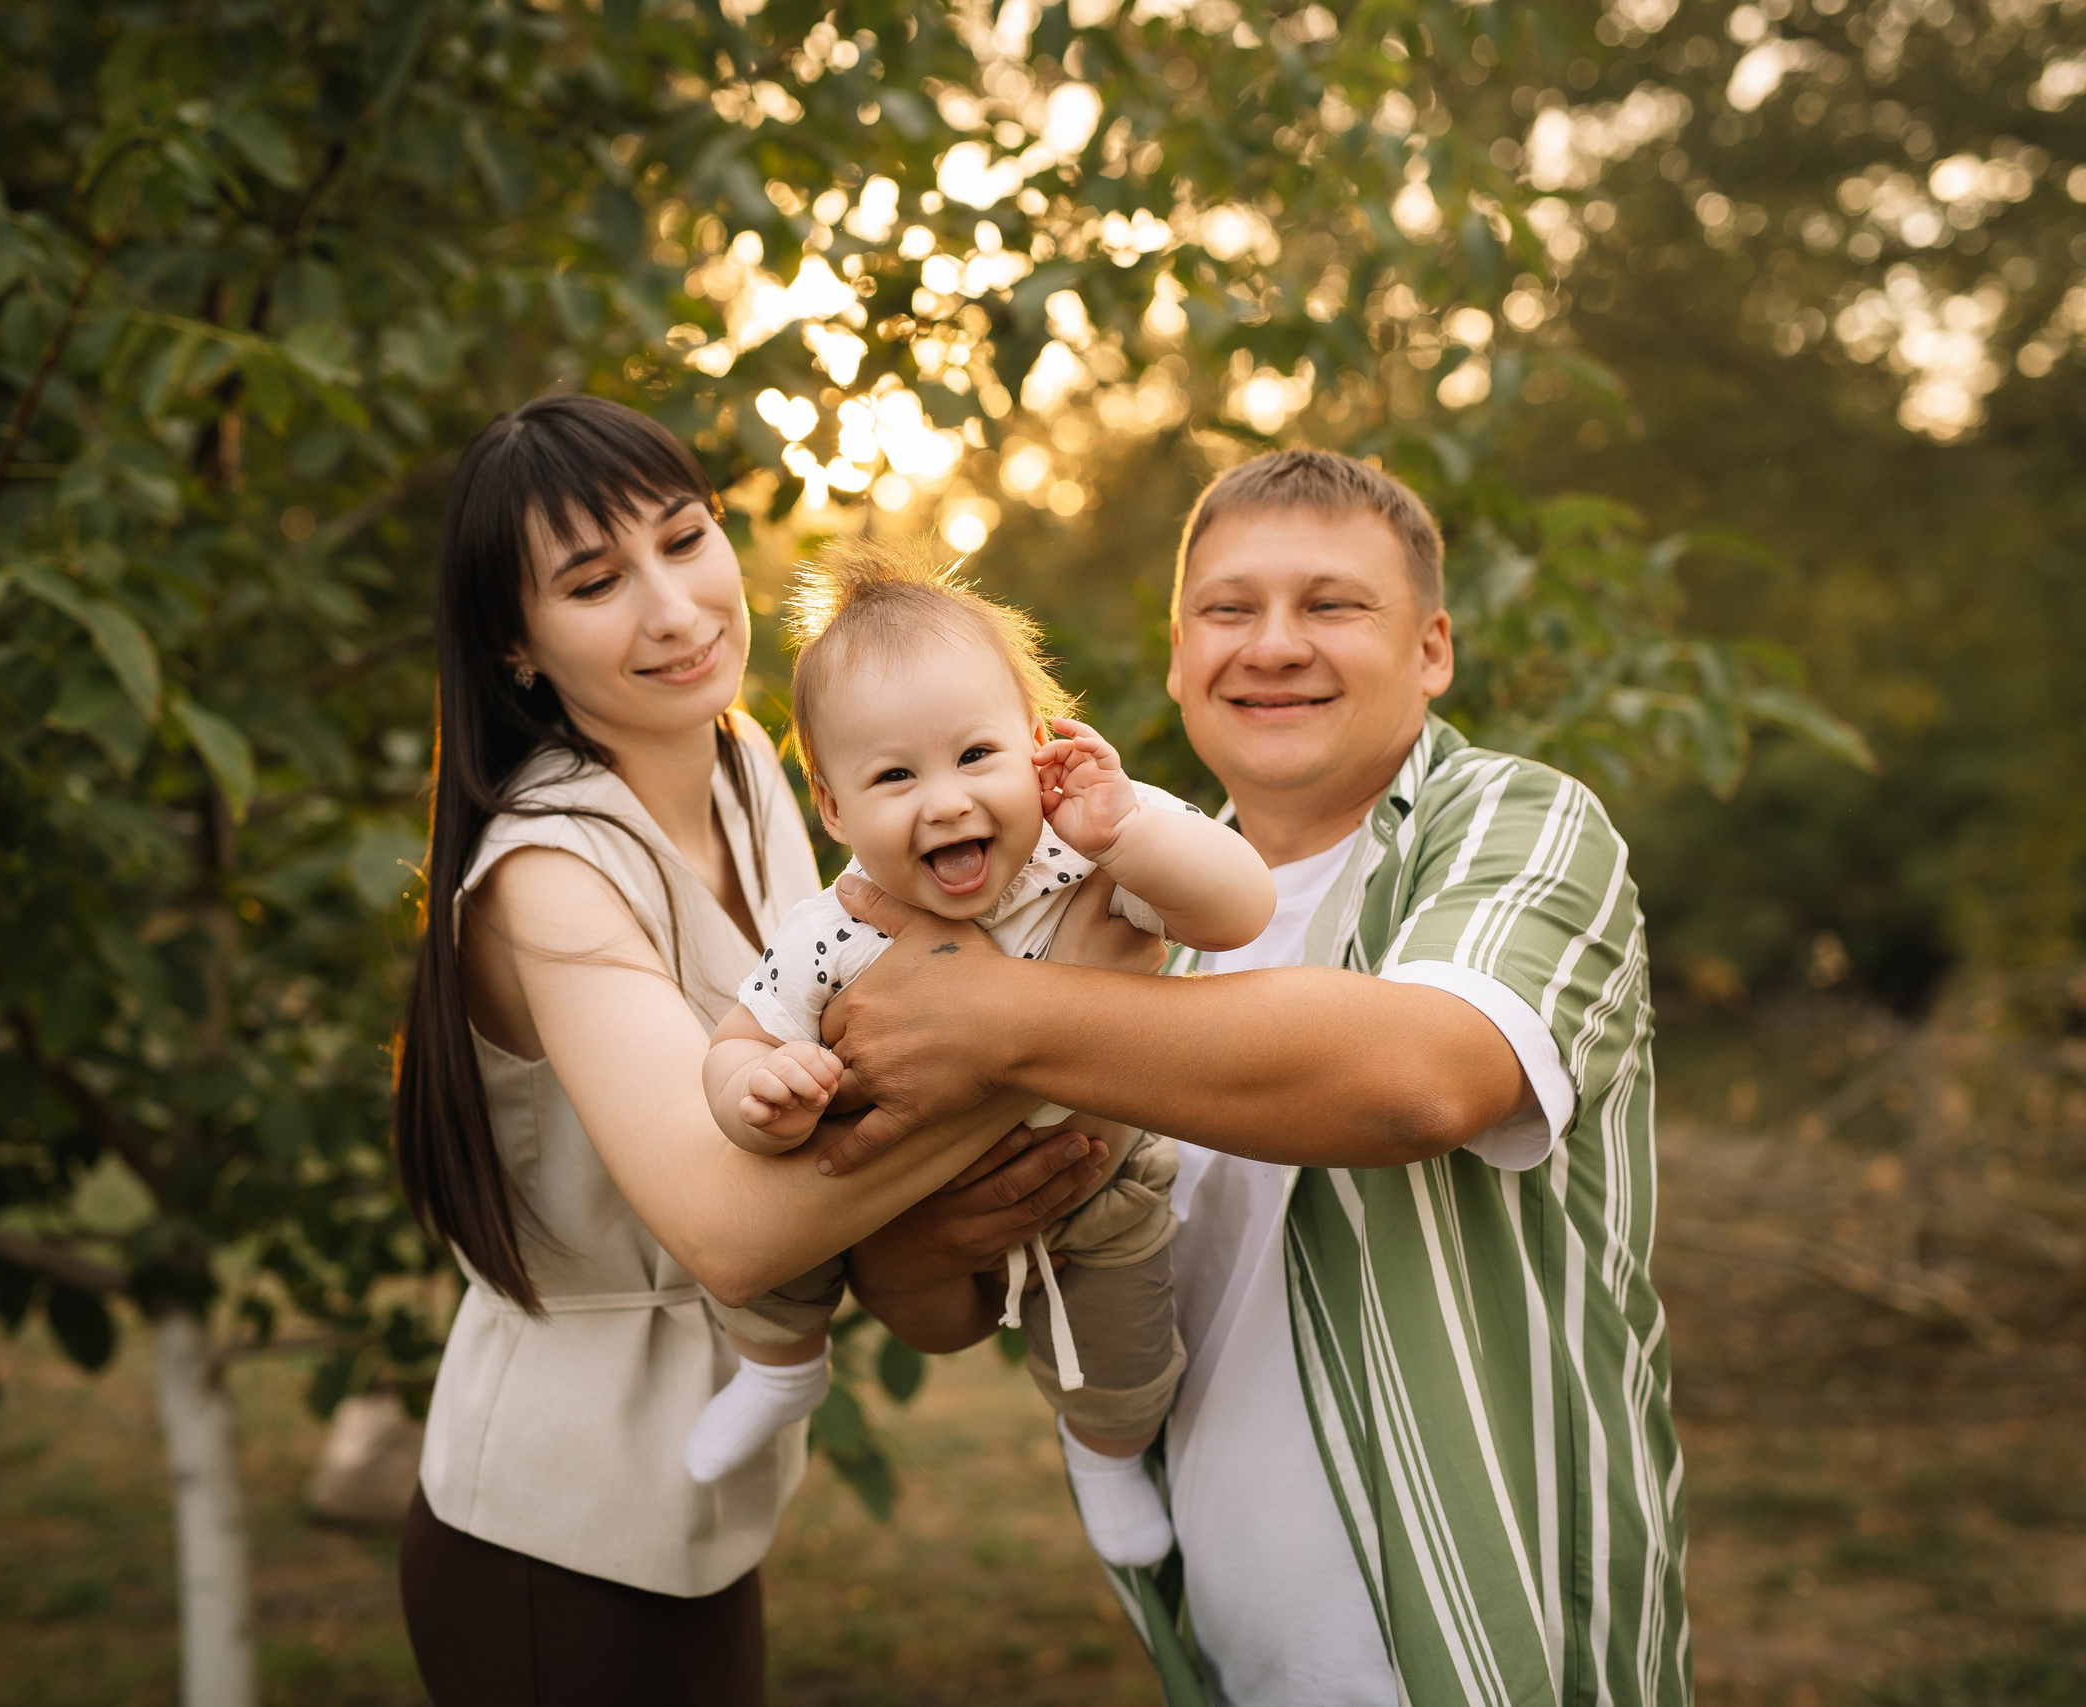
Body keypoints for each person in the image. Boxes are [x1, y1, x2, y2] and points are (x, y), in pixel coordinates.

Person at [823, 450, 1691, 1707]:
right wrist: (917, 1242)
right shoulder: (1109, 912)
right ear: (1178, 657)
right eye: (1229, 611)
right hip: (1231, 1640)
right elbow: (946, 1313)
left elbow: (1416, 1081)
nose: (1272, 646)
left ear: (1434, 649)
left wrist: (997, 1016)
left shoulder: (1521, 822)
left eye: (1333, 605)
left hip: (1488, 1633)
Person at [387, 395, 1143, 1705]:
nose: (676, 608)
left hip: (706, 1503)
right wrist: (1067, 1029)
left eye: (686, 541)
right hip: (547, 1528)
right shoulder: (544, 875)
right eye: (595, 581)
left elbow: (865, 1049)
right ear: (518, 642)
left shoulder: (744, 757)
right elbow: (732, 1228)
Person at [683, 543, 1274, 1572]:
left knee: (1124, 1353)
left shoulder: (1085, 851)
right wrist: (753, 1093)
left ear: (1036, 748)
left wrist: (1129, 831)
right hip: (895, 1189)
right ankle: (780, 1367)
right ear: (833, 809)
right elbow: (739, 1040)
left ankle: (1103, 1454)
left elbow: (1238, 906)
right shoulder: (833, 931)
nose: (946, 801)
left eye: (975, 756)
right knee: (760, 1203)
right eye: (895, 776)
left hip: (1091, 1169)